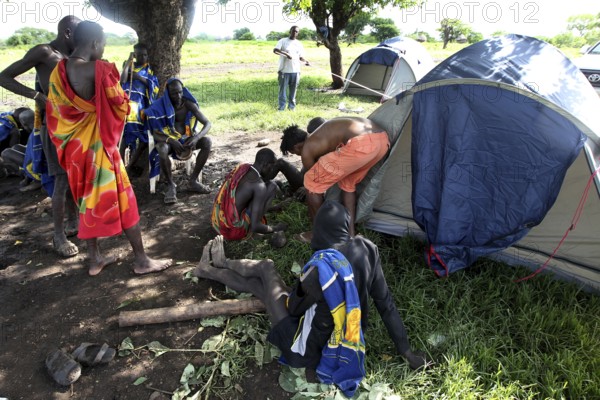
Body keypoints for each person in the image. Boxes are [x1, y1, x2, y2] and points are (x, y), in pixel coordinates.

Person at [195, 201, 428, 397]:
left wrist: (298, 288)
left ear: (319, 231)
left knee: (266, 269)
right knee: (264, 288)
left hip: (304, 349)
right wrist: (407, 352)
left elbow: (293, 309)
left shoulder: (320, 271)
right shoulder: (368, 249)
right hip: (341, 337)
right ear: (346, 227)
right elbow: (385, 303)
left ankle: (215, 266)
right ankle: (214, 267)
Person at [46, 20, 172, 276]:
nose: (103, 49)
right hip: (100, 150)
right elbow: (121, 105)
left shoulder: (58, 71)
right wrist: (120, 80)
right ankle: (142, 260)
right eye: (103, 44)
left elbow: (56, 113)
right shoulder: (100, 69)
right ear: (95, 43)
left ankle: (95, 259)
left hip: (75, 152)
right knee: (125, 200)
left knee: (85, 202)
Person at [0, 15, 81, 258]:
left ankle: (73, 221)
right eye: (80, 35)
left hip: (75, 127)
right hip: (53, 127)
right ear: (67, 33)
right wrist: (37, 97)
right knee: (61, 179)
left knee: (72, 176)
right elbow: (4, 76)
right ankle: (58, 236)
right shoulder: (45, 53)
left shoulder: (73, 57)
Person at [280, 117, 390, 240]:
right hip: (382, 141)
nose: (298, 155)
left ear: (296, 147)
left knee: (311, 182)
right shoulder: (320, 135)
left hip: (361, 144)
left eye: (294, 153)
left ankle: (318, 234)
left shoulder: (307, 149)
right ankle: (350, 234)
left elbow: (315, 182)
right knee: (348, 183)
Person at [144, 77, 212, 204]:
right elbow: (155, 134)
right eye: (174, 93)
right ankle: (171, 185)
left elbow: (207, 123)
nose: (178, 95)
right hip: (169, 141)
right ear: (168, 93)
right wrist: (171, 140)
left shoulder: (188, 104)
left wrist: (196, 138)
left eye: (180, 92)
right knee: (162, 149)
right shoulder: (160, 107)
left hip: (186, 140)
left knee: (207, 142)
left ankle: (193, 180)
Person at [211, 148, 287, 241]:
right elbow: (255, 226)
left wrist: (273, 208)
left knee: (271, 184)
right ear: (265, 165)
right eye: (271, 167)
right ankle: (251, 228)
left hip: (218, 218)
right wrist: (276, 228)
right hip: (231, 229)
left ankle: (265, 210)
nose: (272, 170)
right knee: (272, 186)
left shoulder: (243, 168)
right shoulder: (259, 186)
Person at [119, 43, 159, 175]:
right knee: (125, 137)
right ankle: (121, 169)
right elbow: (122, 79)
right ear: (134, 55)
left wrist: (138, 77)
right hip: (126, 105)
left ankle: (129, 166)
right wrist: (129, 61)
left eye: (145, 55)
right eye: (139, 55)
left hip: (141, 107)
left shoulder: (149, 69)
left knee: (143, 139)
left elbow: (154, 86)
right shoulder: (129, 65)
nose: (142, 57)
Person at [273, 26, 310, 111]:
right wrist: (286, 54)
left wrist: (306, 61)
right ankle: (281, 108)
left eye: (296, 32)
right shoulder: (283, 41)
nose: (294, 33)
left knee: (293, 92)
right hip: (284, 71)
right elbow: (275, 50)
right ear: (290, 31)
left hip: (296, 71)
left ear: (298, 33)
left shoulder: (299, 44)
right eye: (293, 31)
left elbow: (301, 57)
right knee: (282, 91)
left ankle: (291, 108)